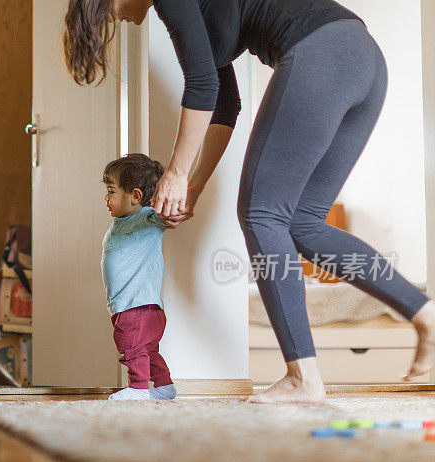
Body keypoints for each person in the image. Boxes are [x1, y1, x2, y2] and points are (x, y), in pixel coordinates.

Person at [63, 0, 435, 403]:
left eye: (103, 13)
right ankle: (426, 314)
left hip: (320, 52)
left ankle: (302, 376)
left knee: (262, 215)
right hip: (361, 58)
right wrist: (195, 185)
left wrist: (176, 173)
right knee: (303, 223)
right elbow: (225, 104)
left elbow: (202, 88)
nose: (113, 19)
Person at [102, 154, 177, 401]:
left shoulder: (147, 218)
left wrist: (173, 201)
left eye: (111, 192)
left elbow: (165, 215)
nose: (106, 198)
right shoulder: (121, 222)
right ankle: (164, 386)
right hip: (138, 306)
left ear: (135, 196)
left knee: (132, 347)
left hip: (137, 305)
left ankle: (138, 387)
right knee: (147, 350)